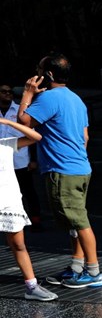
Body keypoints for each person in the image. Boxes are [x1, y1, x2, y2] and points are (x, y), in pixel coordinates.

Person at [18, 53, 102, 289]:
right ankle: (77, 266)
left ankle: (94, 271)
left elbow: (24, 122)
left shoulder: (49, 99)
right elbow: (85, 137)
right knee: (74, 221)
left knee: (79, 221)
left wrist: (27, 94)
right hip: (79, 168)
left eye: (39, 69)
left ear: (48, 75)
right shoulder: (77, 100)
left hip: (63, 170)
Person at [0, 117, 57, 301]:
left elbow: (37, 137)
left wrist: (8, 123)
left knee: (18, 244)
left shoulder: (5, 144)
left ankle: (31, 287)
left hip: (9, 201)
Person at [0, 83, 43, 230]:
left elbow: (32, 135)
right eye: (4, 92)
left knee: (28, 191)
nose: (8, 94)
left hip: (21, 161)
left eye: (10, 92)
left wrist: (34, 159)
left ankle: (35, 220)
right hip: (2, 163)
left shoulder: (20, 110)